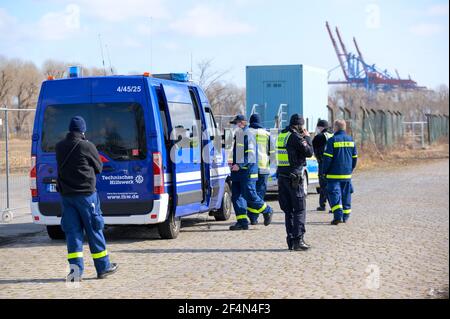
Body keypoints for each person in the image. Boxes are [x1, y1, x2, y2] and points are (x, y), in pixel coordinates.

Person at [56, 116, 118, 281]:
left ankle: (75, 273)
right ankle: (103, 267)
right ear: (83, 130)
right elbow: (98, 167)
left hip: (67, 197)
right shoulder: (87, 145)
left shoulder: (59, 146)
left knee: (73, 234)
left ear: (70, 129)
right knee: (94, 230)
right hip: (86, 197)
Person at [229, 115, 273, 231]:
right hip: (238, 173)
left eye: (237, 123)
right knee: (236, 197)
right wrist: (233, 164)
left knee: (250, 195)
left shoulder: (248, 134)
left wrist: (239, 165)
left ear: (243, 122)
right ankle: (242, 222)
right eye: (235, 124)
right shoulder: (240, 135)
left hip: (247, 172)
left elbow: (251, 154)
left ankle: (267, 210)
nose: (236, 125)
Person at [276, 114, 314, 251]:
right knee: (299, 209)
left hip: (282, 177)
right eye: (302, 126)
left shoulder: (282, 135)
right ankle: (299, 240)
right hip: (294, 179)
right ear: (298, 125)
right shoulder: (295, 137)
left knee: (288, 211)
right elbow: (309, 152)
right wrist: (308, 137)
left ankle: (290, 240)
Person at [321, 119, 358, 225]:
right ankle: (345, 216)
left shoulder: (332, 140)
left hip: (333, 175)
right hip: (346, 174)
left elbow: (327, 159)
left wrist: (324, 172)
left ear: (336, 128)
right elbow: (355, 158)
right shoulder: (351, 140)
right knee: (346, 194)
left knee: (334, 194)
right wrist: (350, 169)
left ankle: (338, 216)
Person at [248, 114, 275, 225]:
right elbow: (272, 153)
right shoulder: (267, 134)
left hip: (250, 168)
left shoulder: (246, 132)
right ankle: (256, 216)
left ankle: (253, 218)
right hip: (264, 168)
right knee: (259, 193)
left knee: (251, 193)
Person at [312, 120, 334, 212]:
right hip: (333, 163)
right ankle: (329, 205)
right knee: (331, 185)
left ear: (321, 127)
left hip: (323, 162)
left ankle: (325, 205)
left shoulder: (319, 137)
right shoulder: (332, 135)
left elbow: (313, 147)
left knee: (323, 185)